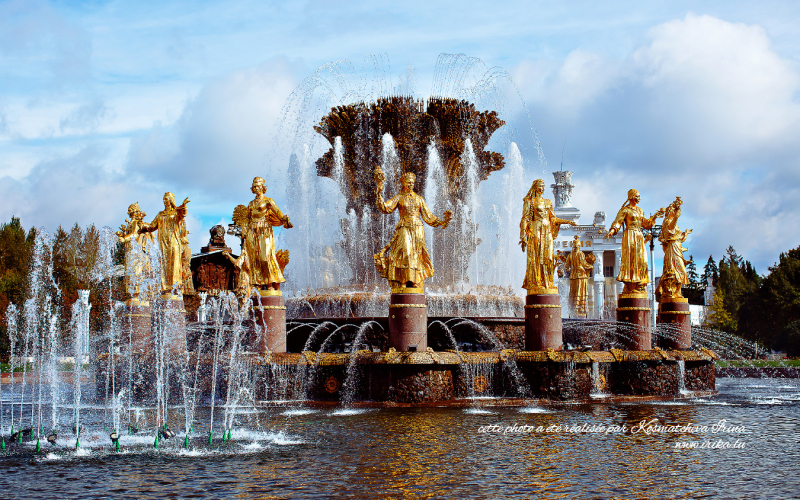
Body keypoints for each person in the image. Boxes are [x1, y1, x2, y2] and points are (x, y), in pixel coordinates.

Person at [374, 169, 451, 291]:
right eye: (408, 182)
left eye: (412, 183)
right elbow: (385, 208)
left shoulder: (419, 199)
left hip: (417, 228)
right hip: (404, 226)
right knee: (405, 252)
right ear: (403, 183)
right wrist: (379, 190)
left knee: (416, 254)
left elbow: (428, 216)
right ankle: (402, 279)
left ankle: (414, 280)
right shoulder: (398, 198)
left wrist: (443, 222)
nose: (410, 184)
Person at [519, 179, 576, 293]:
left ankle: (548, 282)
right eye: (540, 185)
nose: (543, 188)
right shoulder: (529, 202)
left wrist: (567, 221)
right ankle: (536, 282)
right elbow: (525, 219)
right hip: (536, 230)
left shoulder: (548, 202)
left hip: (547, 231)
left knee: (548, 256)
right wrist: (523, 236)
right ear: (535, 187)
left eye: (544, 186)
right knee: (536, 256)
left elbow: (553, 219)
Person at [605, 188, 664, 297]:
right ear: (631, 196)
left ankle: (639, 283)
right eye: (637, 196)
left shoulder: (640, 210)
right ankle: (631, 284)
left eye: (639, 196)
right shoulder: (625, 210)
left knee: (642, 260)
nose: (639, 198)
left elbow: (646, 224)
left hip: (639, 236)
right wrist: (612, 231)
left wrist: (655, 216)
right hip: (630, 236)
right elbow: (617, 222)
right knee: (631, 259)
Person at [237, 177, 292, 291]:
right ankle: (258, 283)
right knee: (255, 258)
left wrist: (283, 218)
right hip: (253, 230)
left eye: (258, 186)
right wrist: (244, 231)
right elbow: (247, 218)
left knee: (265, 256)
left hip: (265, 230)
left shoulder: (268, 201)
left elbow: (277, 211)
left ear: (263, 187)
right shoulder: (251, 204)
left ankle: (271, 282)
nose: (256, 188)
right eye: (254, 186)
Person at [140, 192, 190, 296]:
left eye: (167, 199)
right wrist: (141, 228)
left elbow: (182, 215)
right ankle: (165, 287)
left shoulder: (176, 213)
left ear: (171, 200)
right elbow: (152, 227)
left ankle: (175, 286)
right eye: (164, 199)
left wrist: (183, 206)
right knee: (163, 264)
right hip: (163, 243)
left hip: (174, 243)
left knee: (174, 264)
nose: (165, 201)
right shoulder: (160, 214)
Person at [116, 202, 154, 303]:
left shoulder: (136, 222)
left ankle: (136, 295)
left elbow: (135, 234)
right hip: (130, 252)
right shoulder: (132, 223)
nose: (130, 213)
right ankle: (132, 296)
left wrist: (124, 238)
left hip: (135, 252)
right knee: (129, 274)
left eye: (132, 211)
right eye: (130, 211)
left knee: (135, 273)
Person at [658, 196, 692, 299]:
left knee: (681, 270)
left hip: (677, 247)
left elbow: (678, 238)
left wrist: (685, 234)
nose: (674, 212)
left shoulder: (673, 222)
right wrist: (676, 218)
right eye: (672, 210)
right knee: (675, 270)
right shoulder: (668, 222)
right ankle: (671, 291)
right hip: (672, 249)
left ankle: (678, 291)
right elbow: (670, 230)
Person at [564, 235, 595, 317]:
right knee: (581, 291)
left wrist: (567, 269)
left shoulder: (570, 255)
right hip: (581, 274)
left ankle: (573, 309)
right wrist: (590, 266)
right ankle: (580, 309)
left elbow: (566, 266)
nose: (575, 247)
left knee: (573, 292)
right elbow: (584, 263)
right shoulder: (580, 254)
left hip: (573, 274)